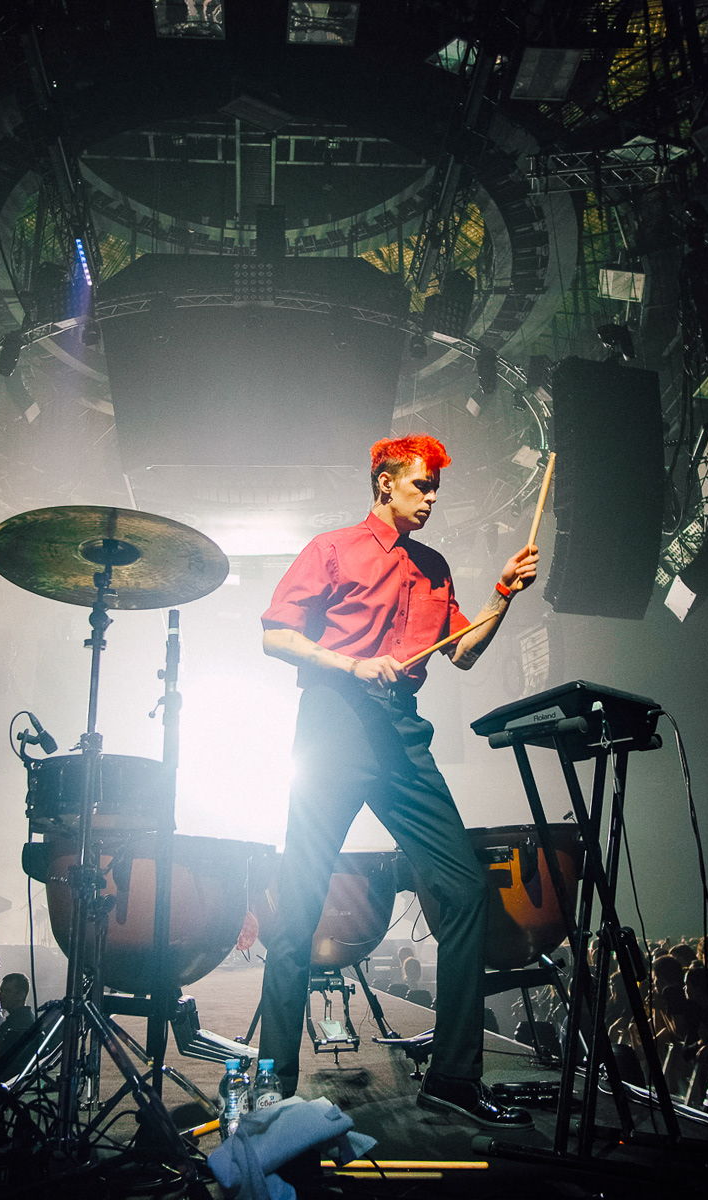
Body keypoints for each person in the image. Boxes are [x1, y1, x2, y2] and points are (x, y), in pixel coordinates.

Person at [255, 433, 538, 1128]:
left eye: (437, 488)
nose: (432, 499)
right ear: (385, 482)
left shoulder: (434, 566)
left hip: (401, 733)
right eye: (422, 485)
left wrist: (503, 593)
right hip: (334, 723)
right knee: (299, 905)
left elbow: (464, 653)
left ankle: (453, 1078)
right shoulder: (333, 548)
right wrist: (351, 663)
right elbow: (274, 635)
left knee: (465, 888)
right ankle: (272, 1081)